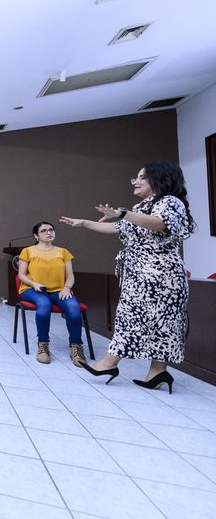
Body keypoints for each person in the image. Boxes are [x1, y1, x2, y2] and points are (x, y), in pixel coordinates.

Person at [60, 162, 195, 393]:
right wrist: (83, 223)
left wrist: (124, 213)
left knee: (156, 322)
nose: (136, 180)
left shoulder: (171, 202)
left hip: (162, 277)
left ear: (159, 179)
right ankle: (157, 373)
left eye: (143, 177)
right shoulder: (141, 207)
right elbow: (115, 228)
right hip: (141, 275)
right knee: (142, 318)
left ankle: (110, 364)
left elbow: (161, 224)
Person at [17, 222, 86, 366]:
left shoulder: (63, 252)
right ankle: (43, 345)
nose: (48, 232)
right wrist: (34, 284)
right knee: (44, 304)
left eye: (51, 230)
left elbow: (70, 275)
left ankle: (76, 347)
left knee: (73, 308)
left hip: (59, 290)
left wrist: (67, 288)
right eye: (43, 231)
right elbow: (21, 275)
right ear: (36, 235)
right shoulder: (28, 251)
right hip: (33, 289)